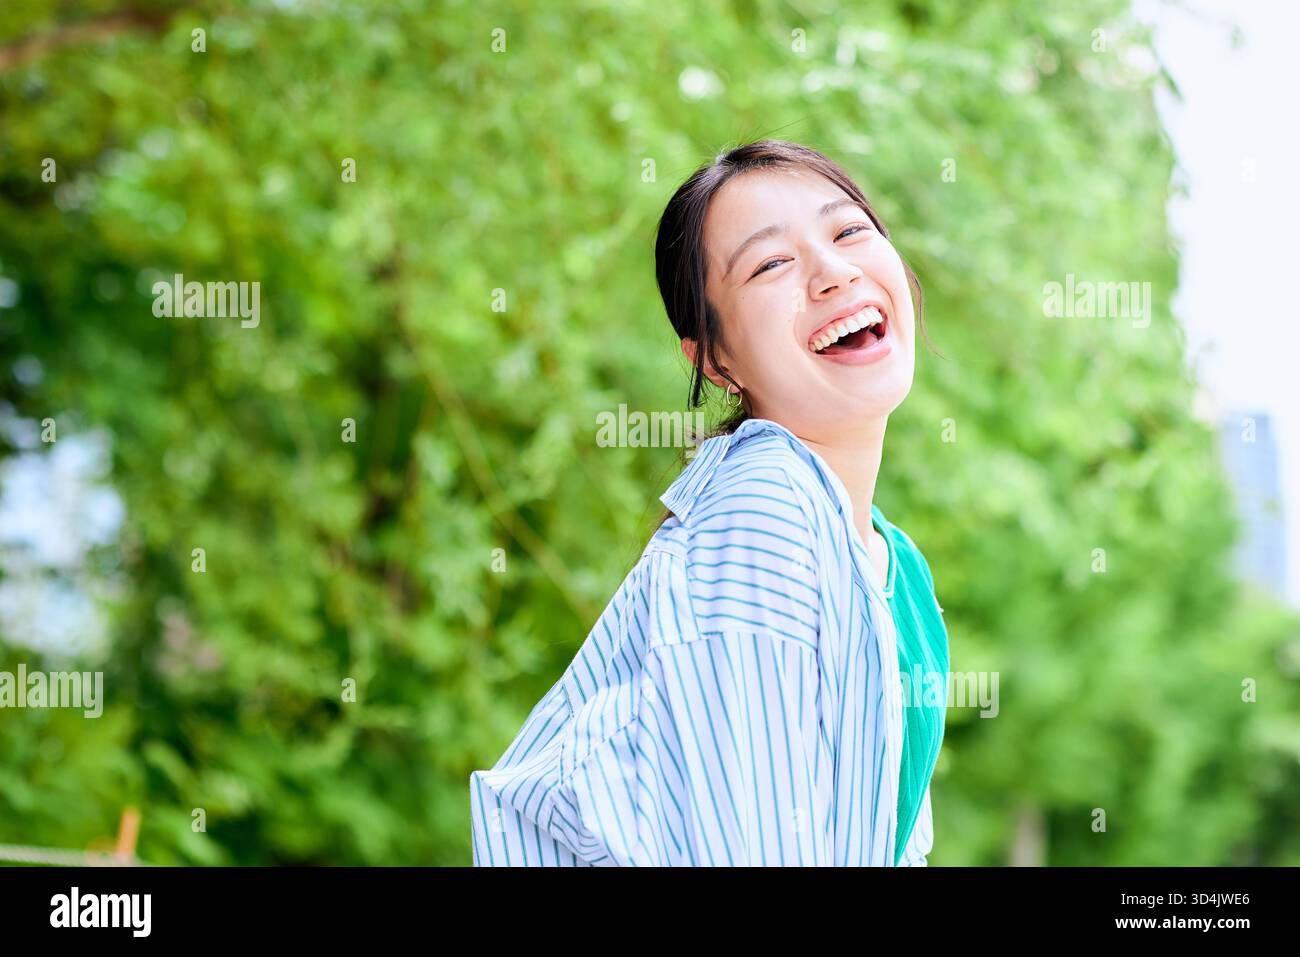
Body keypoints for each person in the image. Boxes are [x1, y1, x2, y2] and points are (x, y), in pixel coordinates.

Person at [469, 139, 949, 866]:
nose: (833, 271)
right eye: (770, 264)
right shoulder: (762, 510)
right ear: (715, 360)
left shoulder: (895, 567)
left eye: (849, 230)